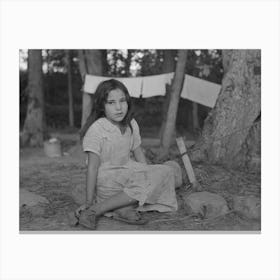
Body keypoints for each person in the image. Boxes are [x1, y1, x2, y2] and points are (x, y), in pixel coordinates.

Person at [75, 79, 178, 230]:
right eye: (111, 103)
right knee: (153, 180)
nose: (119, 108)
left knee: (166, 171)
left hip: (128, 174)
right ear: (102, 106)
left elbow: (138, 153)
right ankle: (95, 209)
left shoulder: (131, 124)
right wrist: (88, 201)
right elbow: (92, 168)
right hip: (108, 180)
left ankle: (120, 208)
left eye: (122, 101)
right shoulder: (96, 130)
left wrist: (149, 175)